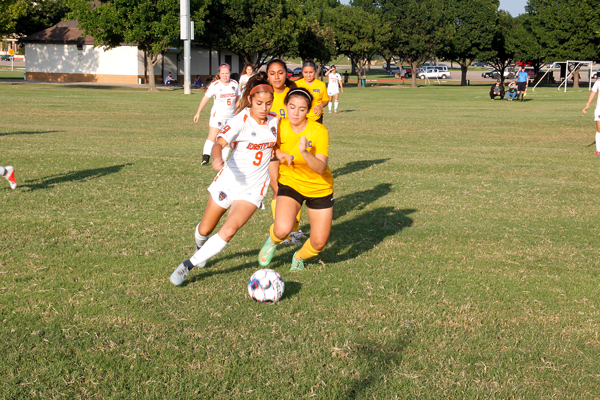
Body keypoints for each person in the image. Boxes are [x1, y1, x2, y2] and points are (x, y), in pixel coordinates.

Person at [170, 77, 288, 285]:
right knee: (205, 229)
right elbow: (218, 143)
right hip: (229, 182)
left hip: (253, 189)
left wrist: (279, 153)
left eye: (268, 103)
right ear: (250, 100)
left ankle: (186, 266)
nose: (264, 108)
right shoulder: (240, 119)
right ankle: (201, 247)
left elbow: (276, 147)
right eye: (259, 103)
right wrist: (217, 157)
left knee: (230, 229)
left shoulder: (275, 121)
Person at [258, 88, 334, 272]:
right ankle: (272, 241)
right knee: (283, 229)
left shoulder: (318, 131)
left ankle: (298, 257)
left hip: (319, 188)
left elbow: (320, 168)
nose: (296, 112)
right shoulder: (279, 126)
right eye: (292, 107)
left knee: (318, 243)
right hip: (291, 182)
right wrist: (281, 153)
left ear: (308, 110)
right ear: (285, 106)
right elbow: (269, 148)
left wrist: (305, 153)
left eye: (301, 109)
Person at [265, 59, 303, 244]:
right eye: (272, 73)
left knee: (296, 188)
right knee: (276, 187)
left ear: (286, 73)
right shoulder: (264, 95)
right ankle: (283, 229)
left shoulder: (293, 94)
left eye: (280, 72)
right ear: (267, 76)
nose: (276, 77)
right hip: (272, 148)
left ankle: (293, 231)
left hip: (292, 148)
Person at [194, 64, 240, 166]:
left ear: (230, 73)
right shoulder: (215, 85)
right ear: (219, 74)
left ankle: (222, 160)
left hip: (231, 117)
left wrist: (239, 111)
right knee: (212, 137)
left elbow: (237, 100)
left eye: (227, 73)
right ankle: (205, 159)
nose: (225, 75)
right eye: (222, 73)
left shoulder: (235, 84)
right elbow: (205, 99)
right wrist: (198, 112)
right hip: (218, 116)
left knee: (228, 139)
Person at [581, 78, 600, 156]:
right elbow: (593, 93)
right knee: (599, 129)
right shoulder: (598, 82)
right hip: (599, 109)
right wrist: (587, 105)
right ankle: (598, 150)